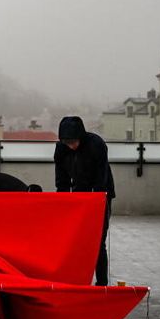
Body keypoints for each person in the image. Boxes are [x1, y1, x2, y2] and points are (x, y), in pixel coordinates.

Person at [54, 115, 116, 287]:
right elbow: (62, 178)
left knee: (97, 240)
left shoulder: (96, 144)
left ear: (80, 137)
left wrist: (97, 199)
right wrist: (63, 202)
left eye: (74, 142)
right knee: (76, 239)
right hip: (78, 193)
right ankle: (76, 279)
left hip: (101, 193)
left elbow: (101, 175)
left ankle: (102, 283)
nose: (71, 146)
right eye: (67, 143)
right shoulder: (61, 149)